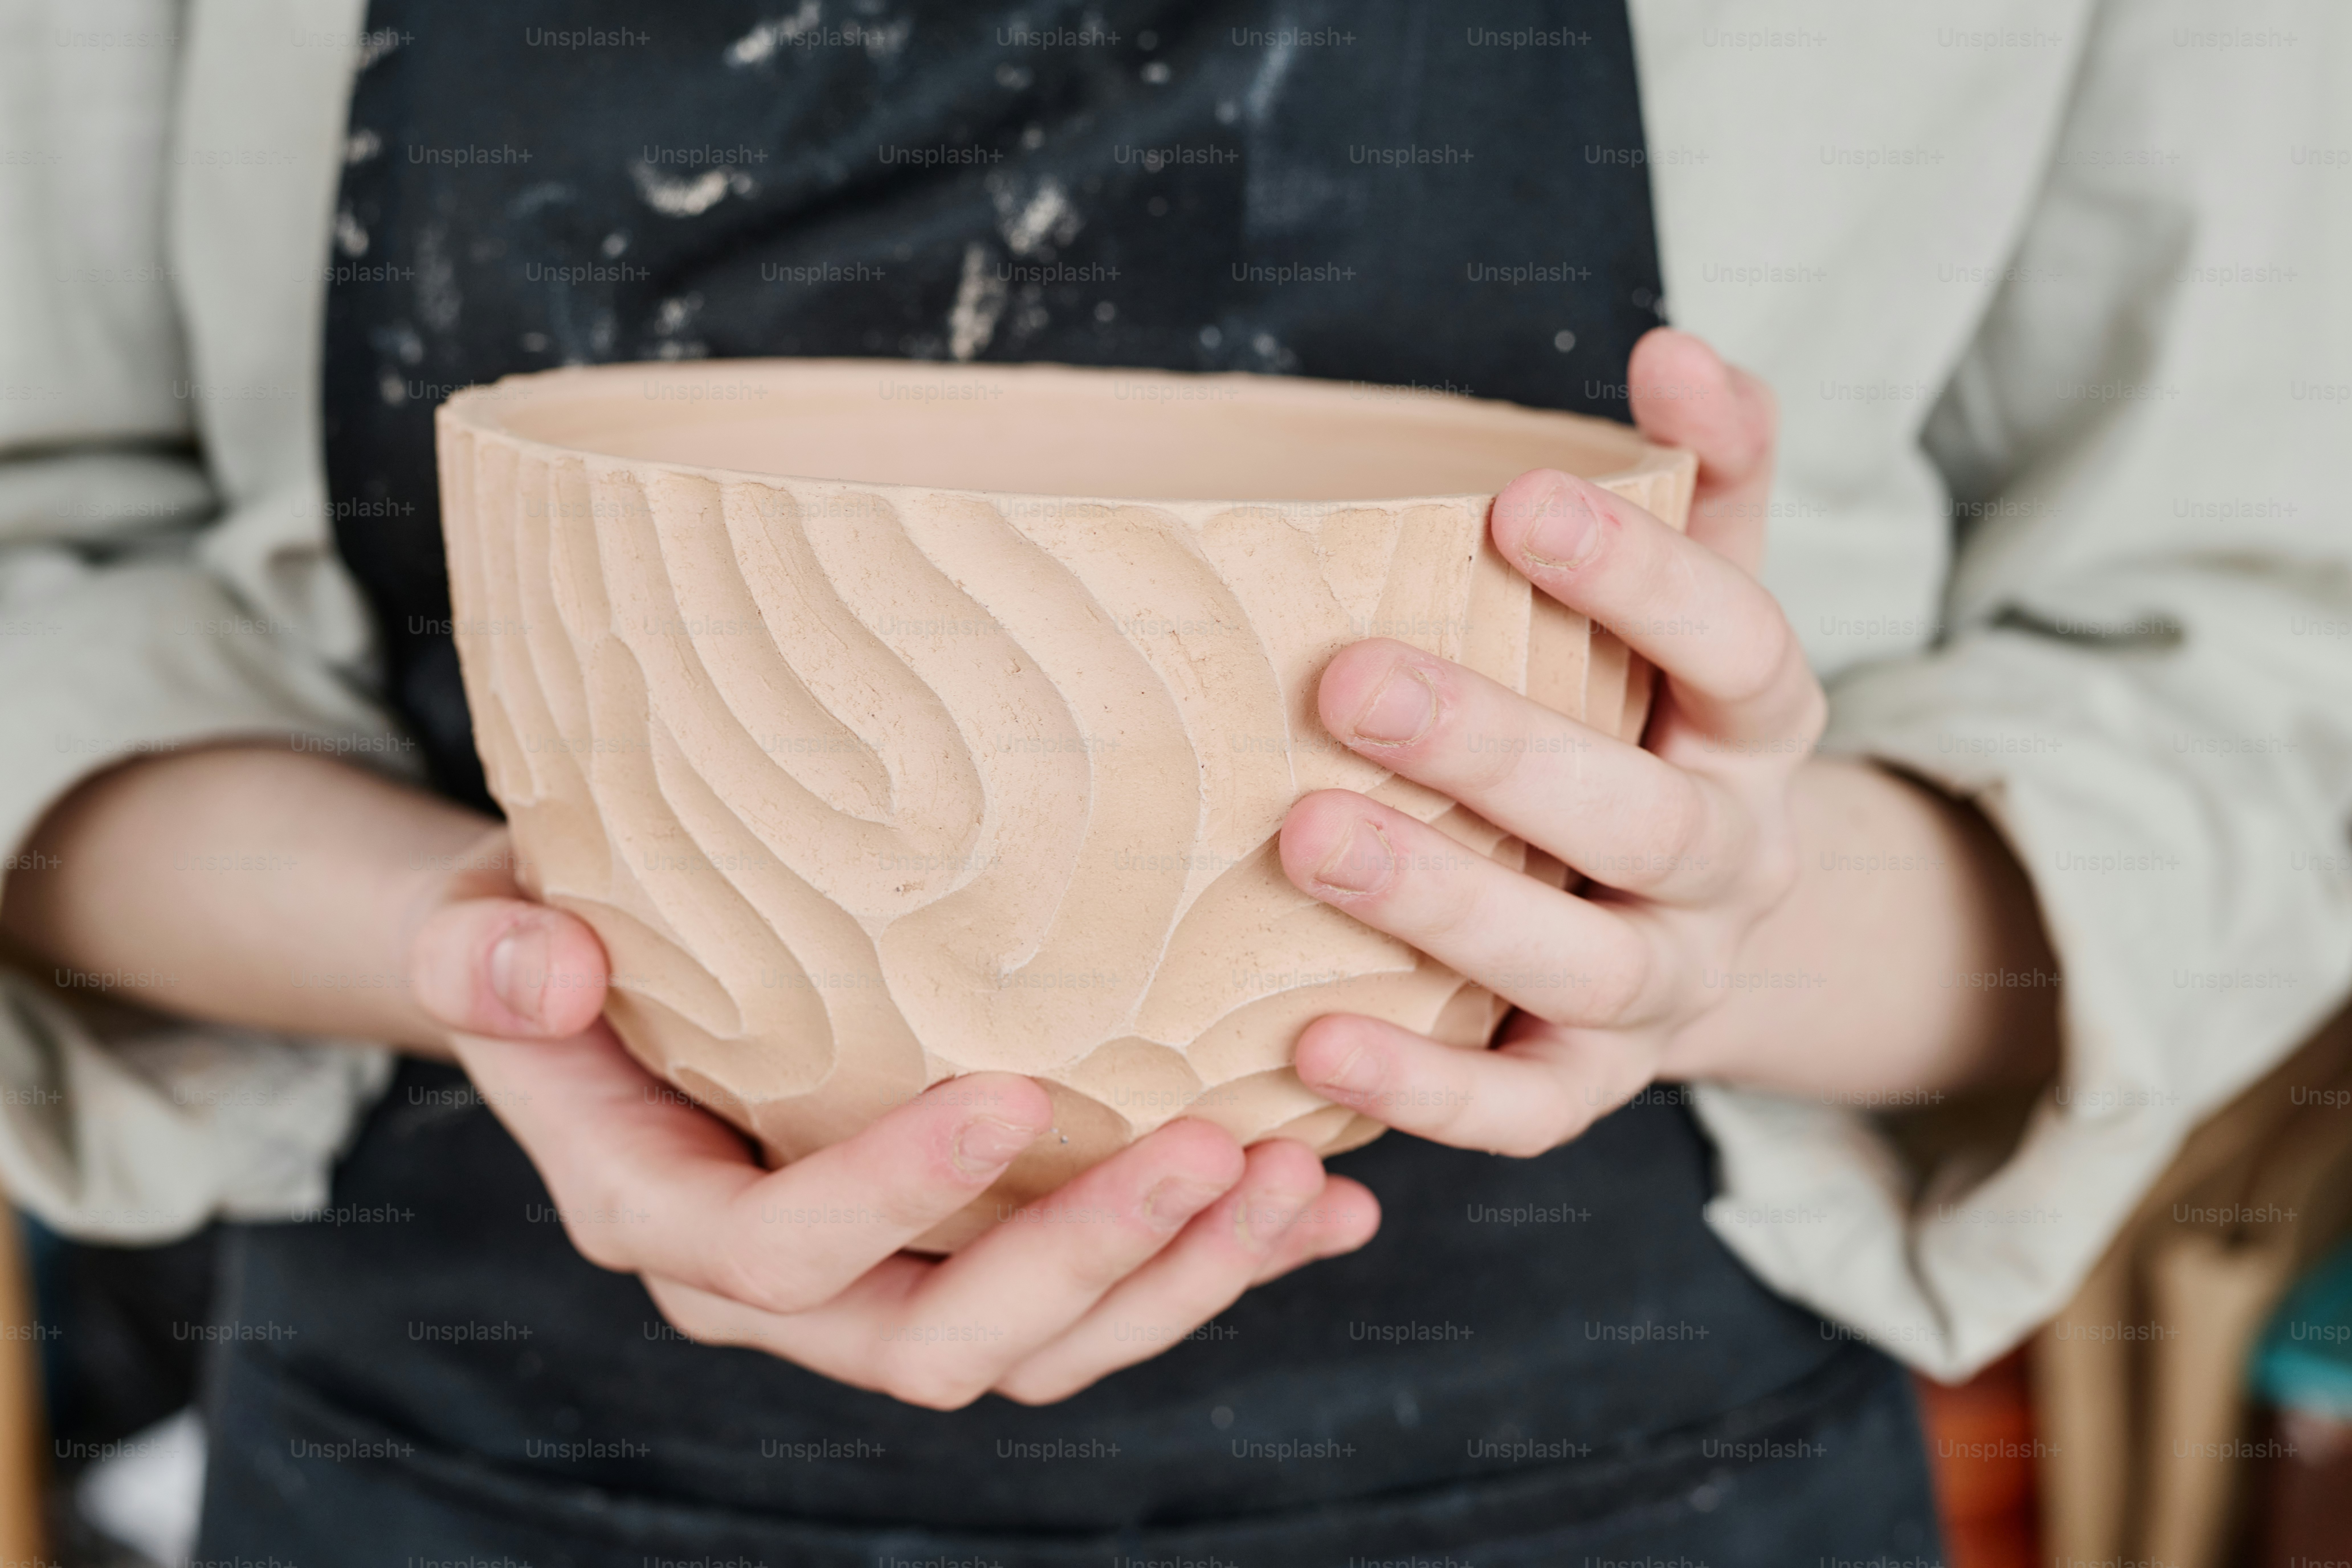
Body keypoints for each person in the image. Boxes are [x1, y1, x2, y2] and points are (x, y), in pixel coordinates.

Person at [1, 1, 2345, 1559]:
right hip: (458, 1439)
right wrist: (474, 952)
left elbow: (2248, 683)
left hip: (1615, 1460)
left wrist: (1713, 924)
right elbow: (40, 557)